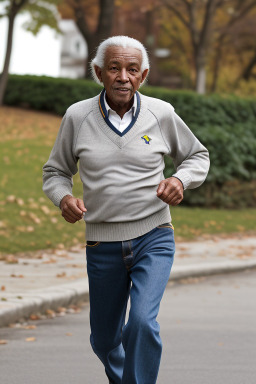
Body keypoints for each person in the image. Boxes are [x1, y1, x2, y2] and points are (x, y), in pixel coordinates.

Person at [42, 35, 210, 384]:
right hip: (102, 245)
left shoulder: (160, 114)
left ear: (143, 75)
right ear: (99, 73)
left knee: (143, 323)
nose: (123, 77)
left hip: (154, 236)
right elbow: (56, 172)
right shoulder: (78, 116)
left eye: (132, 70)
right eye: (114, 69)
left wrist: (180, 180)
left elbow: (197, 156)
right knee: (104, 340)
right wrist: (64, 198)